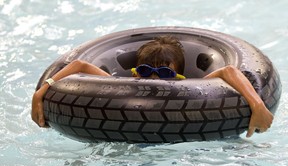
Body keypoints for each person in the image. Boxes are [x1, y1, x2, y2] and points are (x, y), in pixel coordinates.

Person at [31, 36, 273, 138]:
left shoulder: (194, 88)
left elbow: (230, 71)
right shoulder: (118, 86)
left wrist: (257, 104)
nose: (154, 79)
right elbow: (80, 64)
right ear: (135, 71)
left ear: (178, 75)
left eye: (165, 73)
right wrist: (41, 92)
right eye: (146, 71)